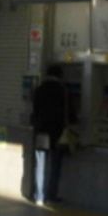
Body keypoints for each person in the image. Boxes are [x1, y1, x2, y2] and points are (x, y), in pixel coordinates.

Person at [32, 64, 67, 206]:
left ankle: (39, 196)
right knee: (55, 165)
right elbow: (67, 112)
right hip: (57, 132)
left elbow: (35, 111)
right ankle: (51, 196)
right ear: (59, 76)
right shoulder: (62, 90)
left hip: (41, 132)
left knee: (40, 164)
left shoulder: (39, 90)